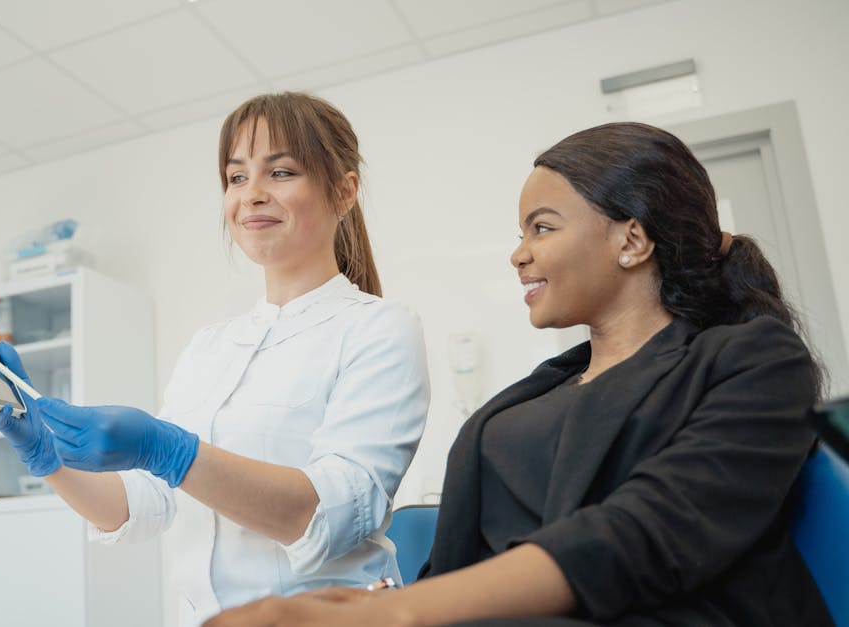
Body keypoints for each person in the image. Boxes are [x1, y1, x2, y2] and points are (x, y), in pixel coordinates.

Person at [203, 122, 833, 626]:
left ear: (632, 240)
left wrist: (398, 614)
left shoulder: (751, 360)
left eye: (542, 227)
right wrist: (369, 603)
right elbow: (458, 562)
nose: (518, 252)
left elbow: (650, 532)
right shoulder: (534, 395)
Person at [0, 92, 431, 626]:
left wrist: (172, 452)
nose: (253, 195)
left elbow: (334, 514)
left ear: (344, 191)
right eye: (237, 177)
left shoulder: (380, 328)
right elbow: (146, 504)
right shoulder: (210, 347)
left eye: (281, 171)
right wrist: (48, 458)